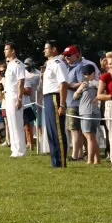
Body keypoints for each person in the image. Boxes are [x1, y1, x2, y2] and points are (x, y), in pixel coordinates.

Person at [42, 40, 69, 168]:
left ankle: (61, 161)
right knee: (51, 131)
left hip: (55, 97)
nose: (44, 50)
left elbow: (63, 84)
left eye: (46, 48)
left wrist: (62, 104)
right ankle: (55, 161)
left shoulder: (58, 63)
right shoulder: (49, 63)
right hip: (47, 97)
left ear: (54, 49)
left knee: (57, 130)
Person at [2, 43, 26, 158]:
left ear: (13, 51)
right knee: (11, 123)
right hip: (8, 96)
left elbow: (21, 82)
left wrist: (19, 98)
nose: (5, 51)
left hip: (14, 96)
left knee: (17, 124)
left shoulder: (18, 64)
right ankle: (14, 148)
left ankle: (20, 150)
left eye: (7, 49)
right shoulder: (9, 64)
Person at [74, 63, 101, 165]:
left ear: (93, 73)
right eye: (84, 74)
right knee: (92, 137)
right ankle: (97, 159)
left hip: (89, 112)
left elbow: (102, 90)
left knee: (89, 136)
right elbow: (75, 97)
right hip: (87, 111)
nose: (86, 76)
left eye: (88, 74)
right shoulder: (85, 84)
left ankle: (90, 160)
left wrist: (97, 97)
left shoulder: (97, 83)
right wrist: (80, 89)